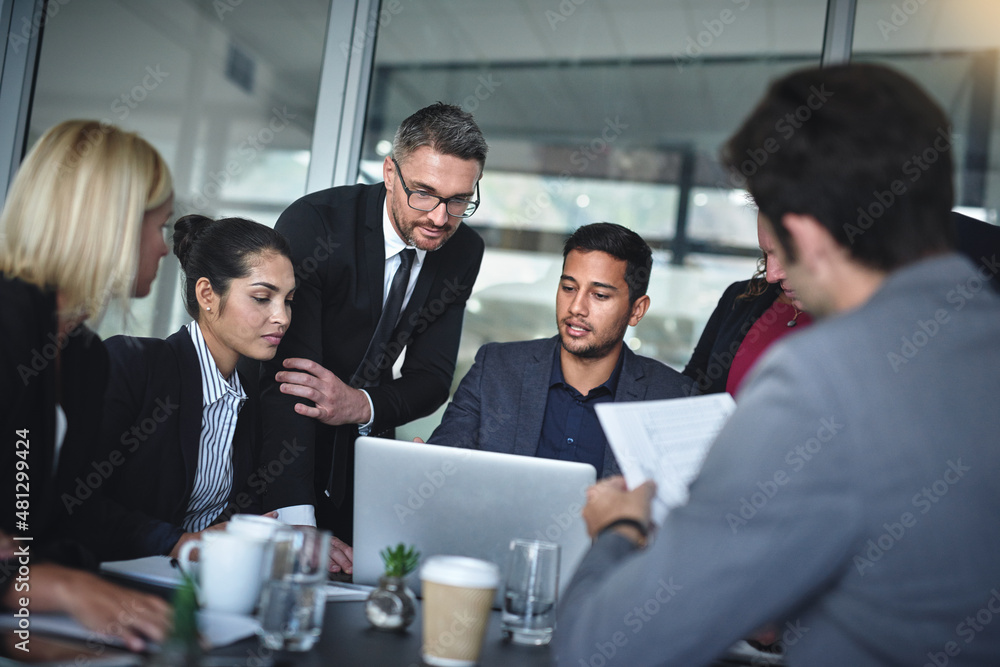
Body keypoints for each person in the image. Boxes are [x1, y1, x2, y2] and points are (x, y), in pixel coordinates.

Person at [553, 64, 1000, 666]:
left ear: (806, 233)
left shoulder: (821, 382)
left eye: (774, 242)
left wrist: (620, 531)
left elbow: (602, 650)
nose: (770, 271)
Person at [256, 102, 487, 545]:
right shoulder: (316, 225)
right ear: (389, 173)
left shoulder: (463, 250)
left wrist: (361, 404)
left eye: (459, 200)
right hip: (276, 454)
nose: (440, 218)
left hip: (363, 454)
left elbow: (433, 379)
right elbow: (287, 383)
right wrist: (297, 520)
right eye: (423, 192)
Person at [0, 120, 174, 651]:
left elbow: (45, 526)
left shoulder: (83, 355)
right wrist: (55, 586)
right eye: (159, 226)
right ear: (114, 225)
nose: (164, 250)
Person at [80, 216, 302, 562]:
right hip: (107, 586)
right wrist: (178, 542)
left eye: (288, 300)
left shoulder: (248, 400)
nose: (282, 317)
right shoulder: (135, 365)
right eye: (262, 297)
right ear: (207, 294)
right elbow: (75, 499)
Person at [428, 223, 693, 477]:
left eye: (599, 295)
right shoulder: (496, 368)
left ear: (637, 310)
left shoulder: (672, 399)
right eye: (568, 288)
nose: (576, 307)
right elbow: (442, 468)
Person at [683, 214, 813, 396]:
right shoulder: (740, 297)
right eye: (766, 253)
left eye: (785, 254)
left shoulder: (860, 324)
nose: (771, 275)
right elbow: (693, 381)